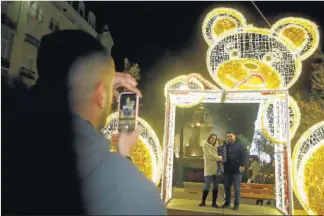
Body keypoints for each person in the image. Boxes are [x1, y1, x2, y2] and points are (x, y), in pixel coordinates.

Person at [3, 30, 167, 215]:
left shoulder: (11, 139)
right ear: (102, 94)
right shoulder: (138, 195)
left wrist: (96, 80)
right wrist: (124, 158)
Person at [222, 132, 248, 211]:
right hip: (227, 170)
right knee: (227, 187)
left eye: (230, 136)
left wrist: (243, 165)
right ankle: (227, 202)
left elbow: (245, 155)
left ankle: (236, 204)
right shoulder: (226, 146)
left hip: (237, 170)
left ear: (235, 136)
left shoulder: (240, 145)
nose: (229, 138)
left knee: (236, 188)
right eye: (227, 136)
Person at [199, 133, 223, 208]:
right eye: (212, 138)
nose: (213, 140)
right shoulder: (205, 146)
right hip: (209, 169)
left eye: (214, 139)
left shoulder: (217, 147)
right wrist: (221, 158)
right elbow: (210, 156)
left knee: (216, 186)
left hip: (216, 169)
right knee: (207, 186)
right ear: (209, 138)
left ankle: (214, 203)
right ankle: (203, 202)